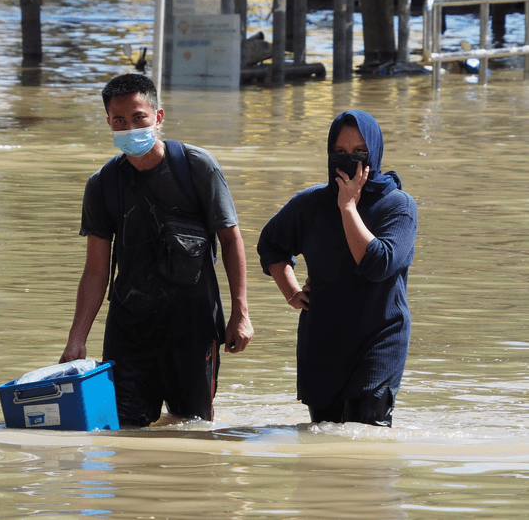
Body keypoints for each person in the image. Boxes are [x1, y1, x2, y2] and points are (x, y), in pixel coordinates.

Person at [60, 73, 253, 427]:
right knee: (123, 431)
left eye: (138, 117)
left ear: (158, 117)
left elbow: (231, 240)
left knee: (191, 428)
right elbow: (96, 269)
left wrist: (241, 312)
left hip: (193, 326)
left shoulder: (197, 167)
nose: (129, 127)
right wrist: (77, 339)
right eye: (119, 120)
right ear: (108, 123)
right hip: (129, 327)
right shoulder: (103, 184)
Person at [257, 110, 417, 427]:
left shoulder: (398, 205)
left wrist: (348, 207)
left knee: (366, 436)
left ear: (375, 152)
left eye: (360, 152)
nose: (348, 161)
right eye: (340, 153)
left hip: (379, 337)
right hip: (322, 338)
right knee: (323, 437)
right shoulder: (310, 204)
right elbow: (271, 245)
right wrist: (290, 291)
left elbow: (377, 264)